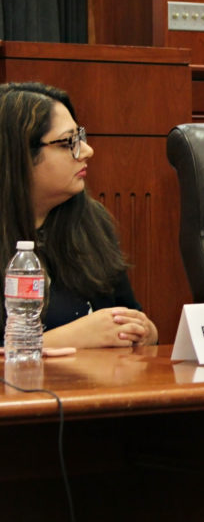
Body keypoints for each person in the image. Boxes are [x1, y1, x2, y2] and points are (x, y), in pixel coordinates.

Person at [0, 82, 157, 348]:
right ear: (18, 155)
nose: (86, 151)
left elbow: (128, 313)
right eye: (67, 143)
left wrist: (143, 330)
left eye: (80, 137)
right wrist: (62, 340)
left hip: (96, 384)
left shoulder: (89, 220)